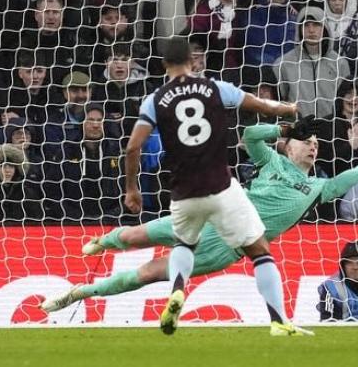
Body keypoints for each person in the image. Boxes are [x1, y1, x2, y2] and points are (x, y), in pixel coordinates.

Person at [40, 120, 358, 321]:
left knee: (150, 274)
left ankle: (77, 294)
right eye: (306, 140)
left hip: (229, 245)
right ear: (290, 146)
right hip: (214, 213)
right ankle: (105, 241)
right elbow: (250, 135)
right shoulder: (271, 161)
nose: (313, 145)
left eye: (316, 143)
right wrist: (283, 129)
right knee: (136, 235)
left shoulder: (320, 187)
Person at [120, 37, 307, 336]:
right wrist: (287, 109)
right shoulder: (216, 88)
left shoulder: (154, 100)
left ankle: (178, 289)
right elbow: (261, 106)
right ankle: (279, 321)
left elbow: (132, 148)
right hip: (221, 186)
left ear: (164, 64)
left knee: (184, 244)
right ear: (192, 61)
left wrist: (132, 189)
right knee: (260, 251)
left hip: (182, 191)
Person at [273, 6, 350, 119]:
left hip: (332, 130)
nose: (311, 30)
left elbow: (346, 101)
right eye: (306, 25)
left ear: (325, 28)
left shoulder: (340, 63)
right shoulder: (283, 64)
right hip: (298, 131)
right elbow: (278, 102)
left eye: (316, 24)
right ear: (299, 29)